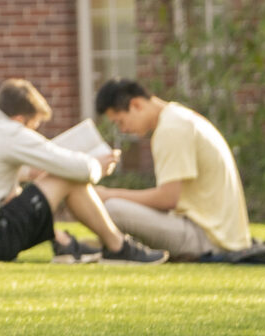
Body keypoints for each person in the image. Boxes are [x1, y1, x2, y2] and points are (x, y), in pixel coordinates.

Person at [0, 79, 166, 263]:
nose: (31, 134)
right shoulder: (10, 133)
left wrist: (33, 173)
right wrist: (97, 166)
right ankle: (118, 246)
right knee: (68, 176)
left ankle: (72, 243)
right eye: (33, 128)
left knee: (39, 185)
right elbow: (77, 169)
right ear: (20, 121)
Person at [96, 78, 255, 261]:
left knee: (111, 208)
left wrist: (109, 194)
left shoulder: (171, 128)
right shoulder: (177, 117)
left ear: (136, 105)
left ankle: (116, 249)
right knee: (112, 207)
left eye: (120, 122)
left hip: (209, 239)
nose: (122, 130)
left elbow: (168, 198)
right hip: (216, 233)